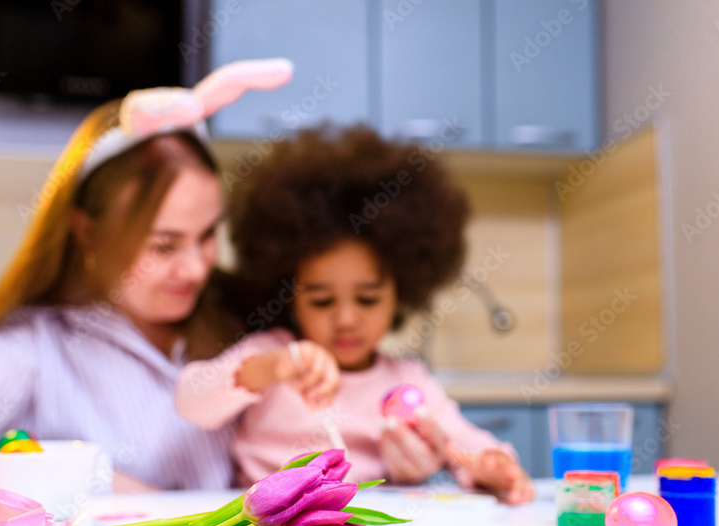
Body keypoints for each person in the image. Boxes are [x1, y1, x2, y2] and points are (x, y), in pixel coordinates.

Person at [0, 59, 296, 516]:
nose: (196, 268)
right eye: (164, 245)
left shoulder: (247, 328)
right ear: (87, 231)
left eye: (207, 235)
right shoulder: (35, 349)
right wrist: (79, 475)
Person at [176, 125, 535, 504]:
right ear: (289, 295)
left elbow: (462, 441)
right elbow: (191, 401)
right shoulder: (273, 355)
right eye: (322, 301)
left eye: (367, 300)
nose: (346, 319)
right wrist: (270, 369)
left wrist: (493, 465)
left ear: (402, 293)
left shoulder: (406, 379)